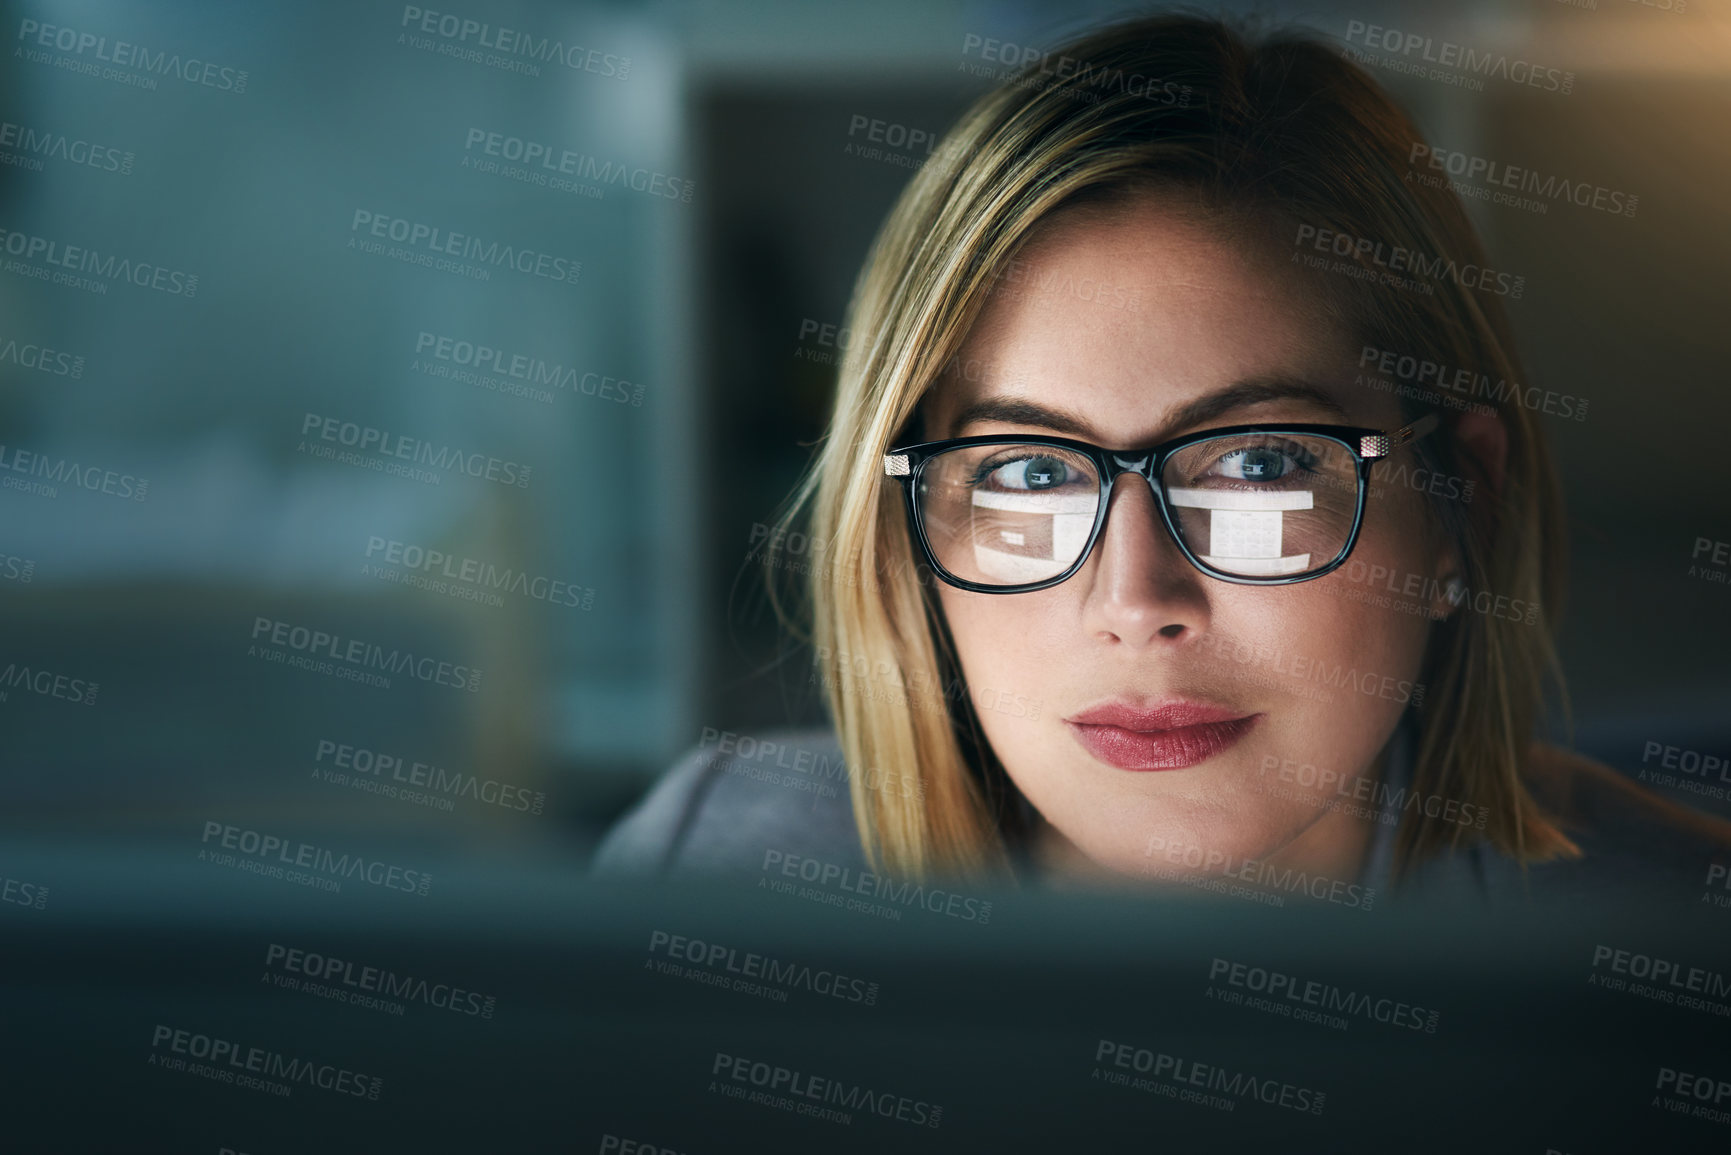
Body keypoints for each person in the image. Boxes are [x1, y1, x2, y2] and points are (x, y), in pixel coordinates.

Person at [593, 12, 1731, 909]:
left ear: (1457, 508)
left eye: (1256, 466)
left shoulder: (1668, 939)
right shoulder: (717, 874)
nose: (1138, 603)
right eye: (1028, 474)